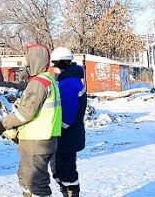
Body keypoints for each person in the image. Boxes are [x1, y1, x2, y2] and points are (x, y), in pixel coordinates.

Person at [0, 44, 62, 197]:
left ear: (35, 61)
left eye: (28, 60)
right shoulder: (48, 81)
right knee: (26, 177)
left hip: (37, 142)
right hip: (41, 140)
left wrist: (3, 124)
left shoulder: (39, 83)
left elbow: (26, 113)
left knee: (35, 183)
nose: (26, 64)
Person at [50, 47, 87, 197]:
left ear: (61, 63)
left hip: (67, 135)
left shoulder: (69, 83)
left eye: (55, 64)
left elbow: (68, 113)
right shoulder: (70, 79)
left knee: (66, 171)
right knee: (62, 169)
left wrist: (59, 129)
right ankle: (68, 192)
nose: (54, 68)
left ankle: (71, 193)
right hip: (71, 134)